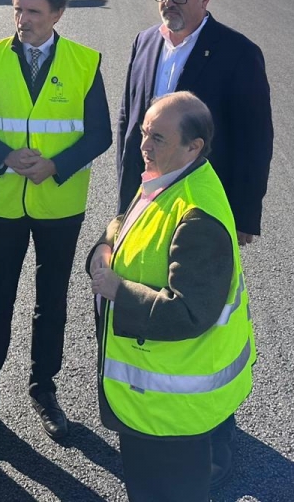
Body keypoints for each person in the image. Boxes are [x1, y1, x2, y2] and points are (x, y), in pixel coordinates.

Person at [115, 0, 273, 484]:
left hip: (203, 208)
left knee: (202, 324)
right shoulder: (143, 42)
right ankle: (156, 409)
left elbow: (256, 139)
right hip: (148, 197)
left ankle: (214, 445)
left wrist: (244, 214)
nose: (169, 5)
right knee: (153, 305)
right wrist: (127, 198)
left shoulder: (237, 53)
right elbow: (129, 119)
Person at [0, 0, 112, 452]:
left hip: (58, 203)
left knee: (52, 302)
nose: (22, 20)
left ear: (58, 14)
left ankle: (44, 390)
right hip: (1, 202)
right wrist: (4, 155)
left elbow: (99, 132)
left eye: (34, 12)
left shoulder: (84, 63)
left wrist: (56, 166)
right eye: (18, 10)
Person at [89, 92, 255, 502]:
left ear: (193, 146)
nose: (143, 146)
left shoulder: (198, 217)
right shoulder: (170, 178)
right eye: (144, 133)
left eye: (157, 138)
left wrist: (117, 289)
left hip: (170, 411)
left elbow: (188, 312)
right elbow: (131, 221)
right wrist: (106, 247)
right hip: (155, 402)